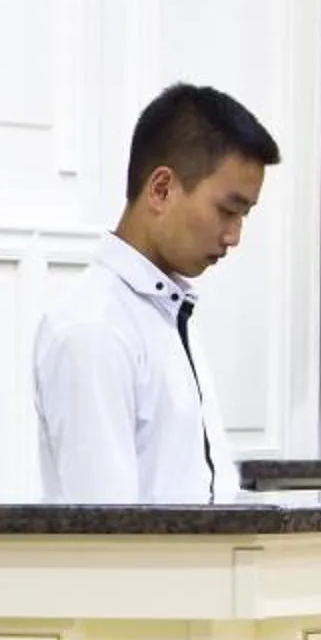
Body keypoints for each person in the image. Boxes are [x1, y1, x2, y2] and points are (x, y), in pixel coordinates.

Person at [34, 82, 283, 503]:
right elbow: (109, 532)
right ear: (162, 189)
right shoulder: (94, 329)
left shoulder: (164, 311)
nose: (234, 236)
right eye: (228, 210)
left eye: (244, 216)